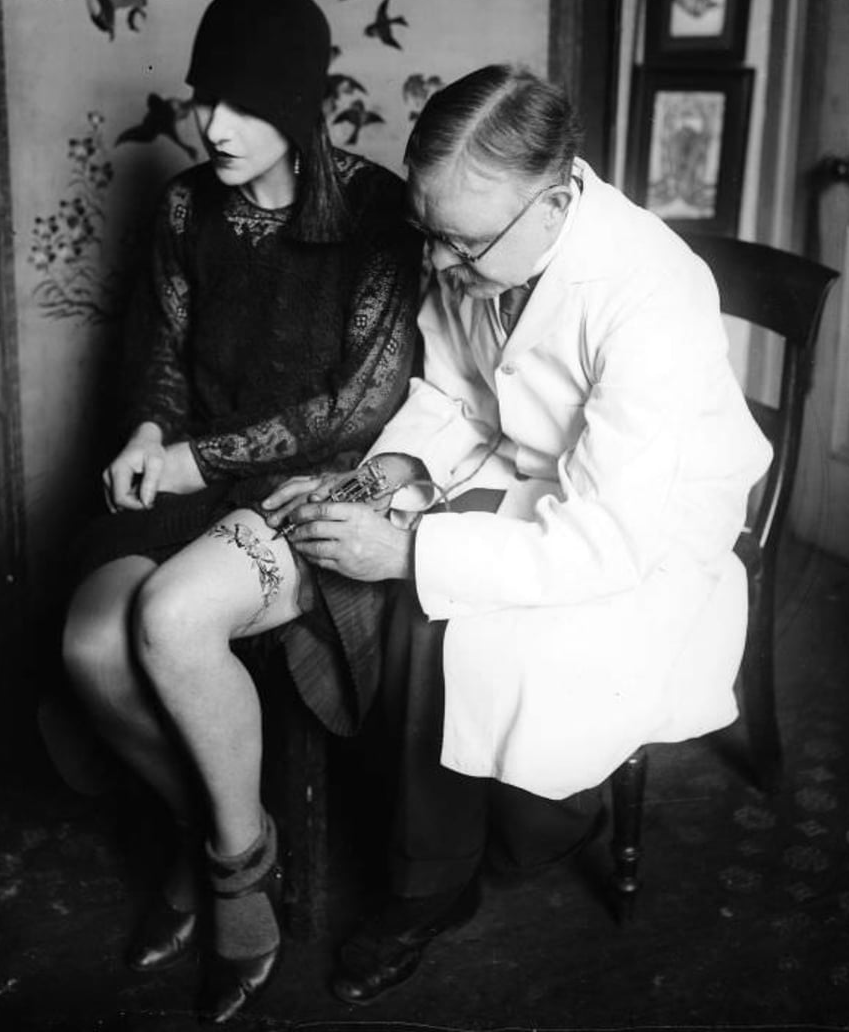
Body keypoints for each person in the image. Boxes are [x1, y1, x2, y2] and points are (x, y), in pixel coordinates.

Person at [266, 63, 773, 1003]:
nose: (440, 264)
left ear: (553, 203)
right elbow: (455, 392)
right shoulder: (481, 242)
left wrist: (415, 549)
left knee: (435, 610)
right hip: (534, 470)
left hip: (647, 533)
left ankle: (449, 874)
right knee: (380, 583)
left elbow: (607, 536)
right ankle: (447, 834)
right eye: (429, 233)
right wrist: (391, 471)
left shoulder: (652, 293)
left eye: (459, 244)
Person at [61, 0, 422, 1024]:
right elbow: (163, 363)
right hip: (191, 476)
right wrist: (145, 431)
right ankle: (224, 827)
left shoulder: (378, 212)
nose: (215, 126)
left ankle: (233, 887)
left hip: (308, 490)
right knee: (89, 650)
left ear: (304, 106)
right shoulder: (183, 204)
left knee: (168, 621)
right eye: (203, 97)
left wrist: (194, 457)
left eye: (247, 104)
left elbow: (356, 406)